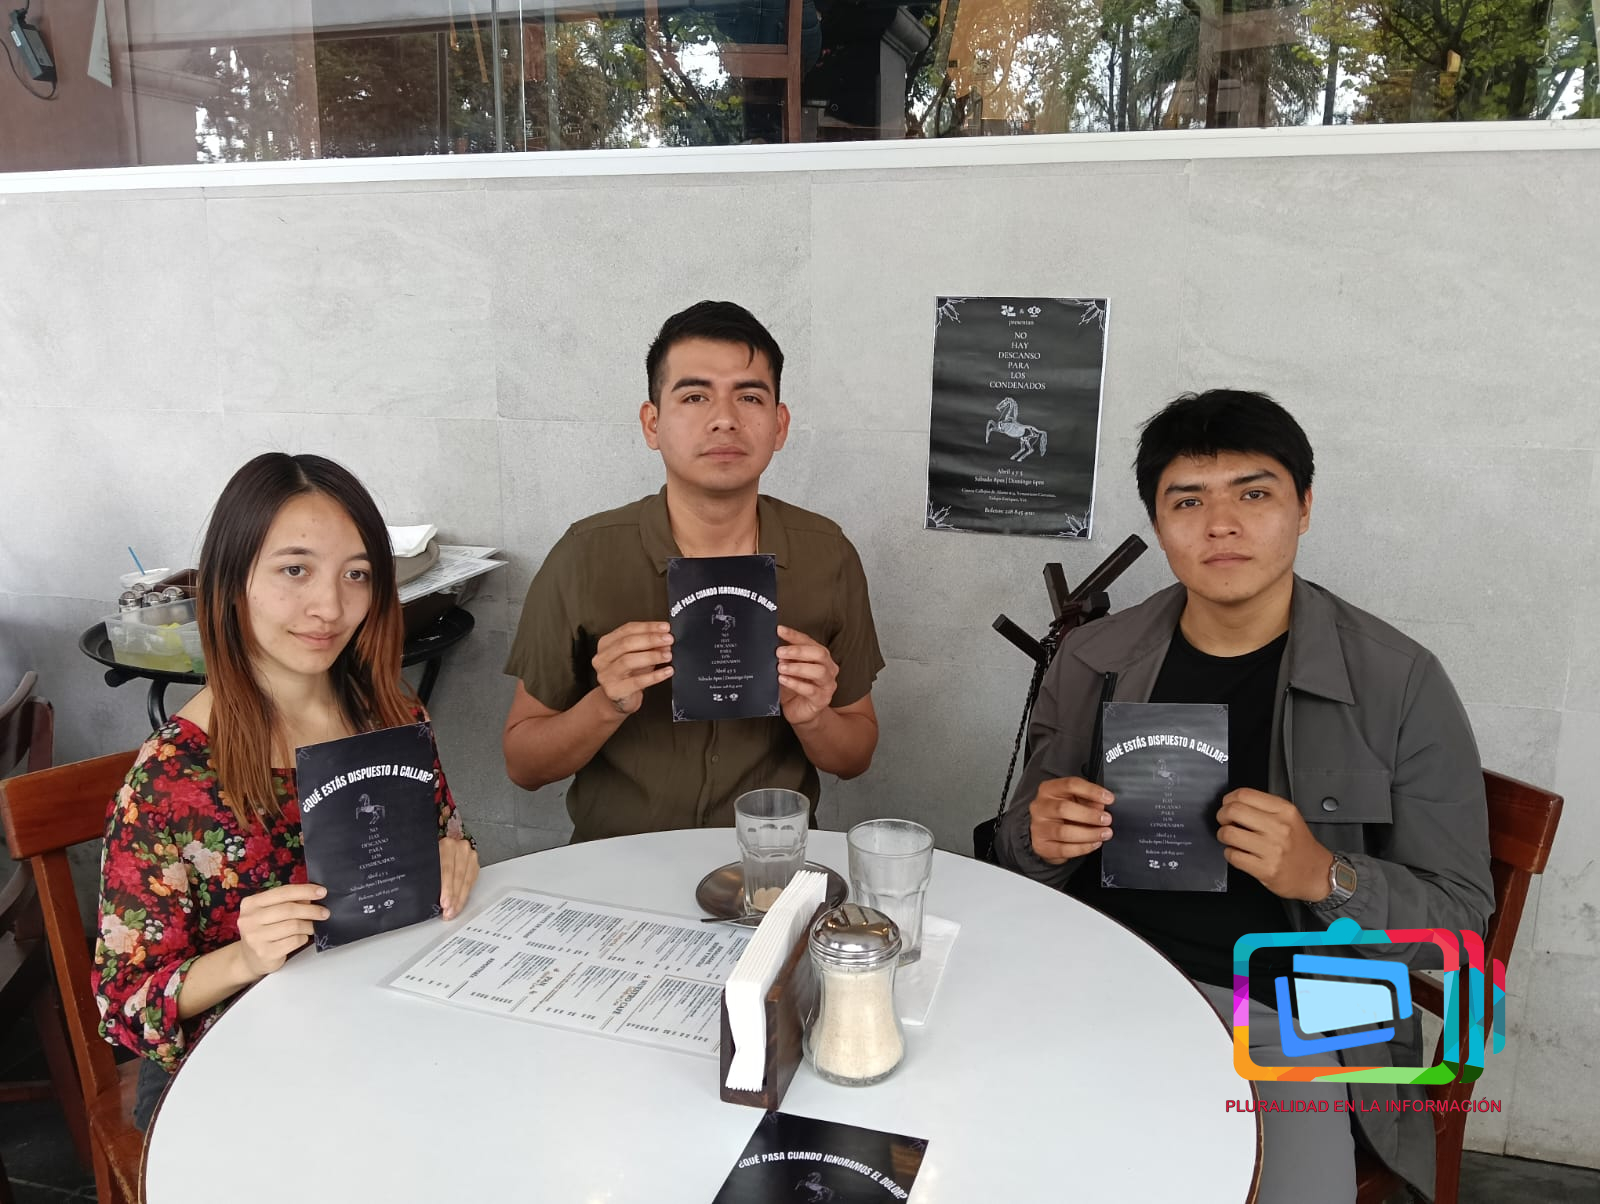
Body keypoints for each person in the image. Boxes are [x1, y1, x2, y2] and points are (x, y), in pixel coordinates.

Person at [995, 390, 1493, 1203]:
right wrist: (1038, 839)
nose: (1220, 525)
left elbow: (1461, 929)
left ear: (1304, 508)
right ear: (1158, 524)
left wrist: (1328, 877)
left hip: (1294, 1018)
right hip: (1098, 979)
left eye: (1253, 494)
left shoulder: (1399, 682)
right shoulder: (1093, 659)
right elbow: (1018, 856)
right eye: (1188, 501)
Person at [93, 453, 481, 1129]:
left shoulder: (393, 716)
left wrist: (455, 858)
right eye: (295, 570)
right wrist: (243, 957)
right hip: (234, 1072)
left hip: (383, 1028)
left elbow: (447, 840)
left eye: (356, 574)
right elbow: (125, 1005)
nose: (330, 607)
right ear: (231, 582)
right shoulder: (170, 779)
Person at [502, 301, 883, 842]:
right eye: (695, 396)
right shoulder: (583, 556)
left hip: (770, 861)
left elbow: (856, 757)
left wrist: (813, 717)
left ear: (779, 425)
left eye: (749, 396)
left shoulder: (828, 555)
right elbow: (523, 765)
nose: (724, 418)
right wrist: (606, 704)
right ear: (652, 423)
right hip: (617, 861)